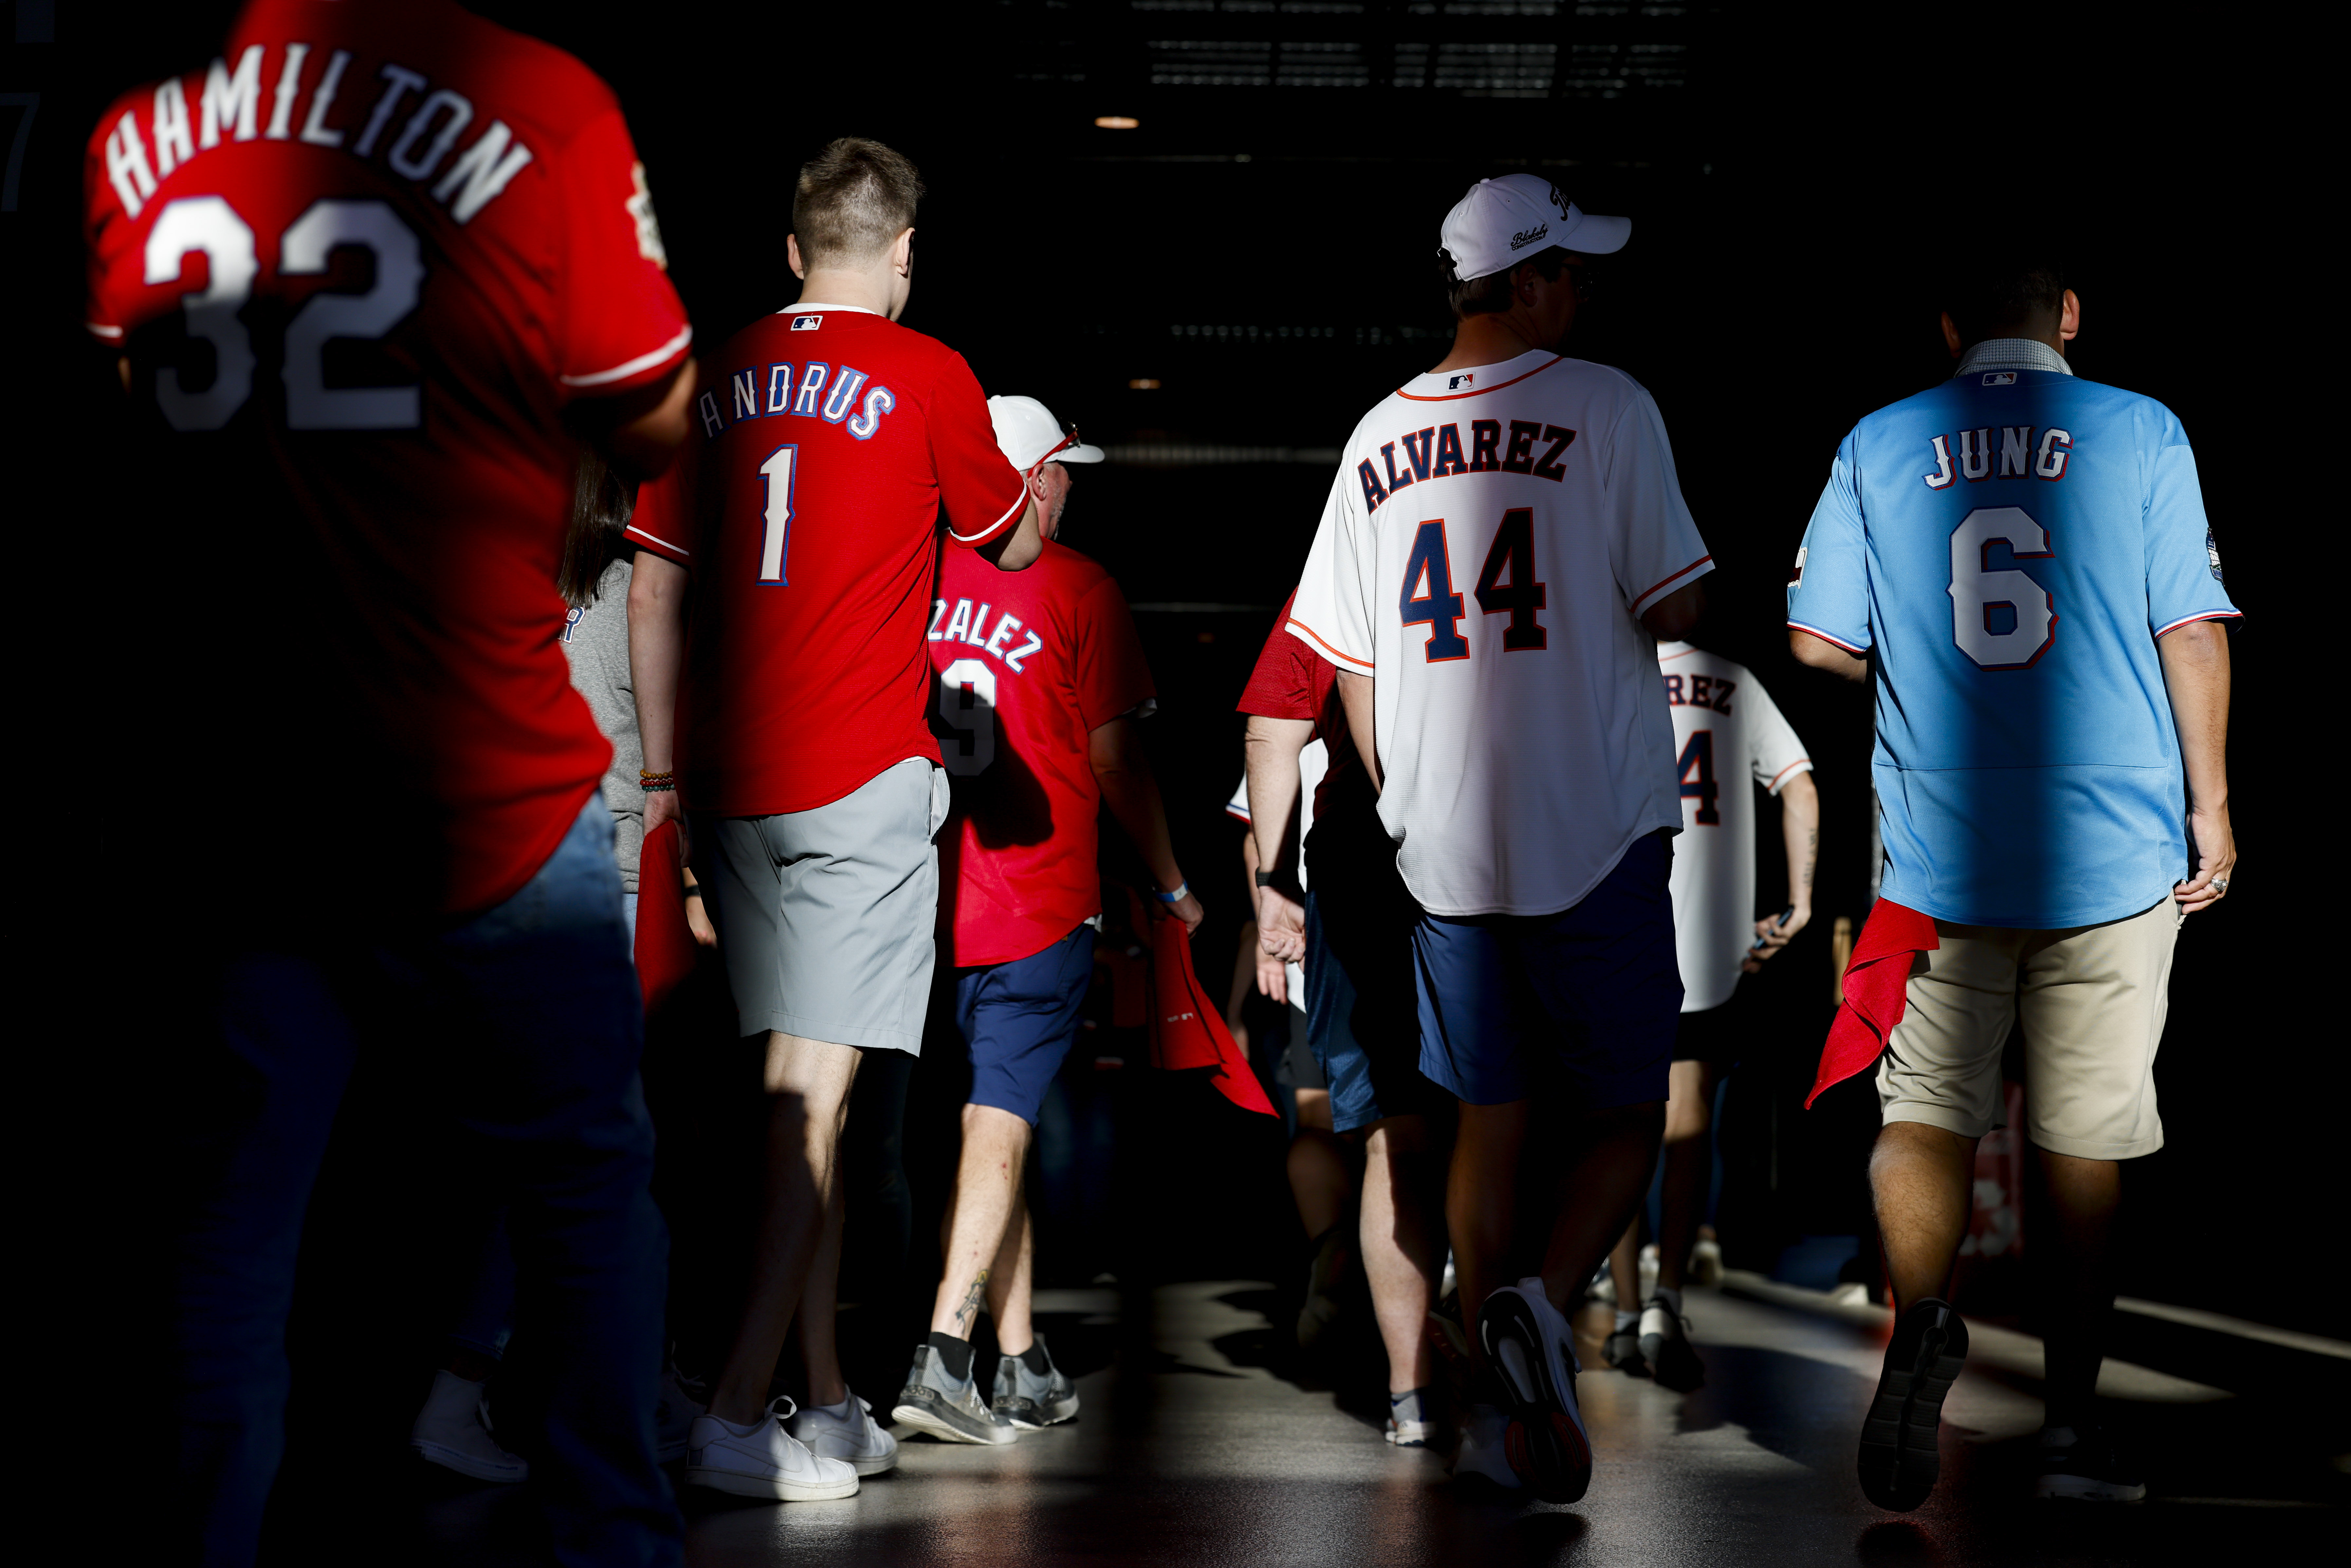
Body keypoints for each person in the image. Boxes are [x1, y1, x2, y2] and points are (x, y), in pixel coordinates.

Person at [86, 3, 698, 1561]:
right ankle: (611, 1542)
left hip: (243, 778)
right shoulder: (543, 97)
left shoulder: (141, 123)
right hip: (482, 756)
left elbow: (126, 424)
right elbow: (652, 409)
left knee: (227, 1224)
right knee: (580, 1187)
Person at [1786, 248, 2238, 1510]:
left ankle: (1923, 1319)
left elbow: (1817, 638)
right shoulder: (2141, 428)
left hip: (1938, 846)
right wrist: (2213, 809)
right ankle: (2069, 1430)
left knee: (1922, 1110)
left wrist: (1916, 654)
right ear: (2071, 317)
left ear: (1946, 330)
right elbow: (2190, 627)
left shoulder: (1880, 439)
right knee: (2082, 1138)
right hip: (2116, 841)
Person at [626, 138, 1044, 1501]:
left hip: (733, 785)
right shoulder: (928, 373)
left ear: (794, 249)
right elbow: (1005, 535)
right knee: (815, 1109)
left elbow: (656, 589)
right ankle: (736, 1411)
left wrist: (669, 787)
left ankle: (824, 1399)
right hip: (858, 782)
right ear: (906, 255)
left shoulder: (718, 371)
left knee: (790, 1101)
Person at [1286, 174, 1710, 1504]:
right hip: (1593, 831)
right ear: (1523, 283)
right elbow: (1679, 598)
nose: (1581, 294)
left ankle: (1490, 1345)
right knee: (1631, 1111)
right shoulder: (1609, 404)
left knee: (1485, 1118)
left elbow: (1343, 664)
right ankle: (1539, 1292)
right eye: (1569, 272)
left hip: (1445, 857)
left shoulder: (1374, 436)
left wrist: (1400, 786)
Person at [893, 394, 1198, 1442]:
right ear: (1026, 477)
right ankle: (942, 1353)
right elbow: (1116, 761)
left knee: (989, 1114)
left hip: (924, 905)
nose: (1071, 485)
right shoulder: (1080, 586)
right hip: (1037, 898)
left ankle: (1017, 1355)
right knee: (1000, 1117)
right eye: (1063, 468)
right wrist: (1170, 879)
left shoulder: (913, 572)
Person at [409, 455, 719, 1486]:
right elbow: (665, 743)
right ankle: (598, 1397)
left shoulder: (491, 558)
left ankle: (498, 1386)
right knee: (609, 1160)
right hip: (603, 877)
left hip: (494, 879)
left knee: (520, 1156)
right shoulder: (642, 580)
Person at [1240, 600, 1450, 1446]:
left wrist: (1269, 888)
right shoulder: (1530, 516)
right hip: (1505, 833)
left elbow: (1268, 735)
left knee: (1384, 1131)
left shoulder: (1342, 573)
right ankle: (1515, 1324)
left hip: (1360, 855)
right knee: (1499, 1113)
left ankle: (1411, 1390)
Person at [1602, 643, 1817, 1389]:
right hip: (1708, 940)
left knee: (1619, 1124)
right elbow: (1800, 786)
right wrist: (1802, 899)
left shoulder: (1602, 663)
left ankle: (1627, 1313)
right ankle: (1667, 1302)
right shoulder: (1733, 679)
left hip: (1619, 931)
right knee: (1690, 1121)